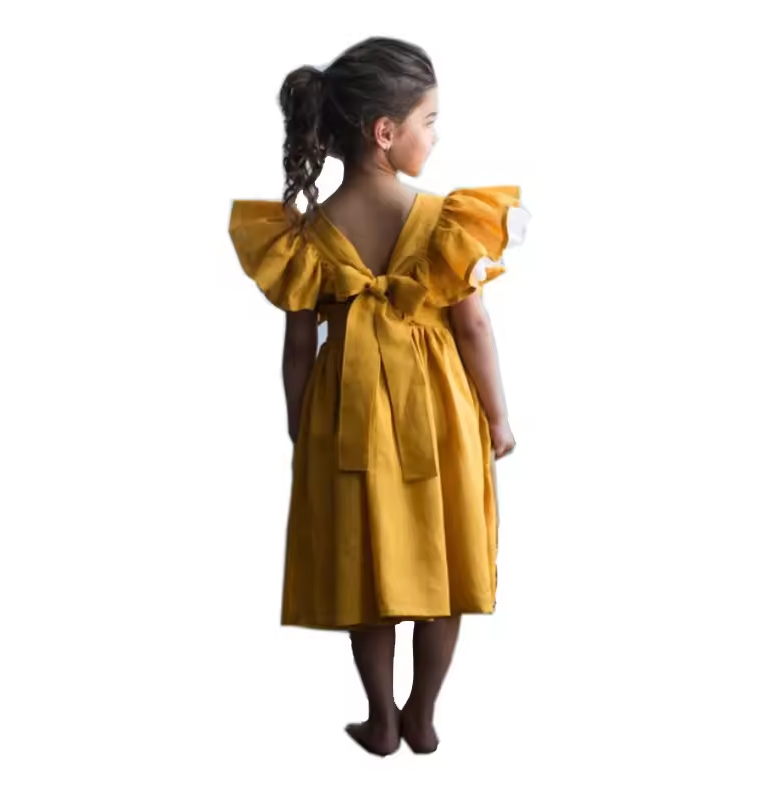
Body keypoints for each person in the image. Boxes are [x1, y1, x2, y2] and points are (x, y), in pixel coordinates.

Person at [228, 36, 531, 757]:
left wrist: (302, 424)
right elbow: (473, 326)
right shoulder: (446, 220)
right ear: (385, 132)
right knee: (443, 563)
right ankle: (422, 713)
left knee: (367, 567)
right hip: (439, 415)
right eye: (430, 120)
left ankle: (381, 718)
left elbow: (297, 347)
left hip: (347, 419)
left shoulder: (305, 236)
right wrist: (498, 417)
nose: (436, 135)